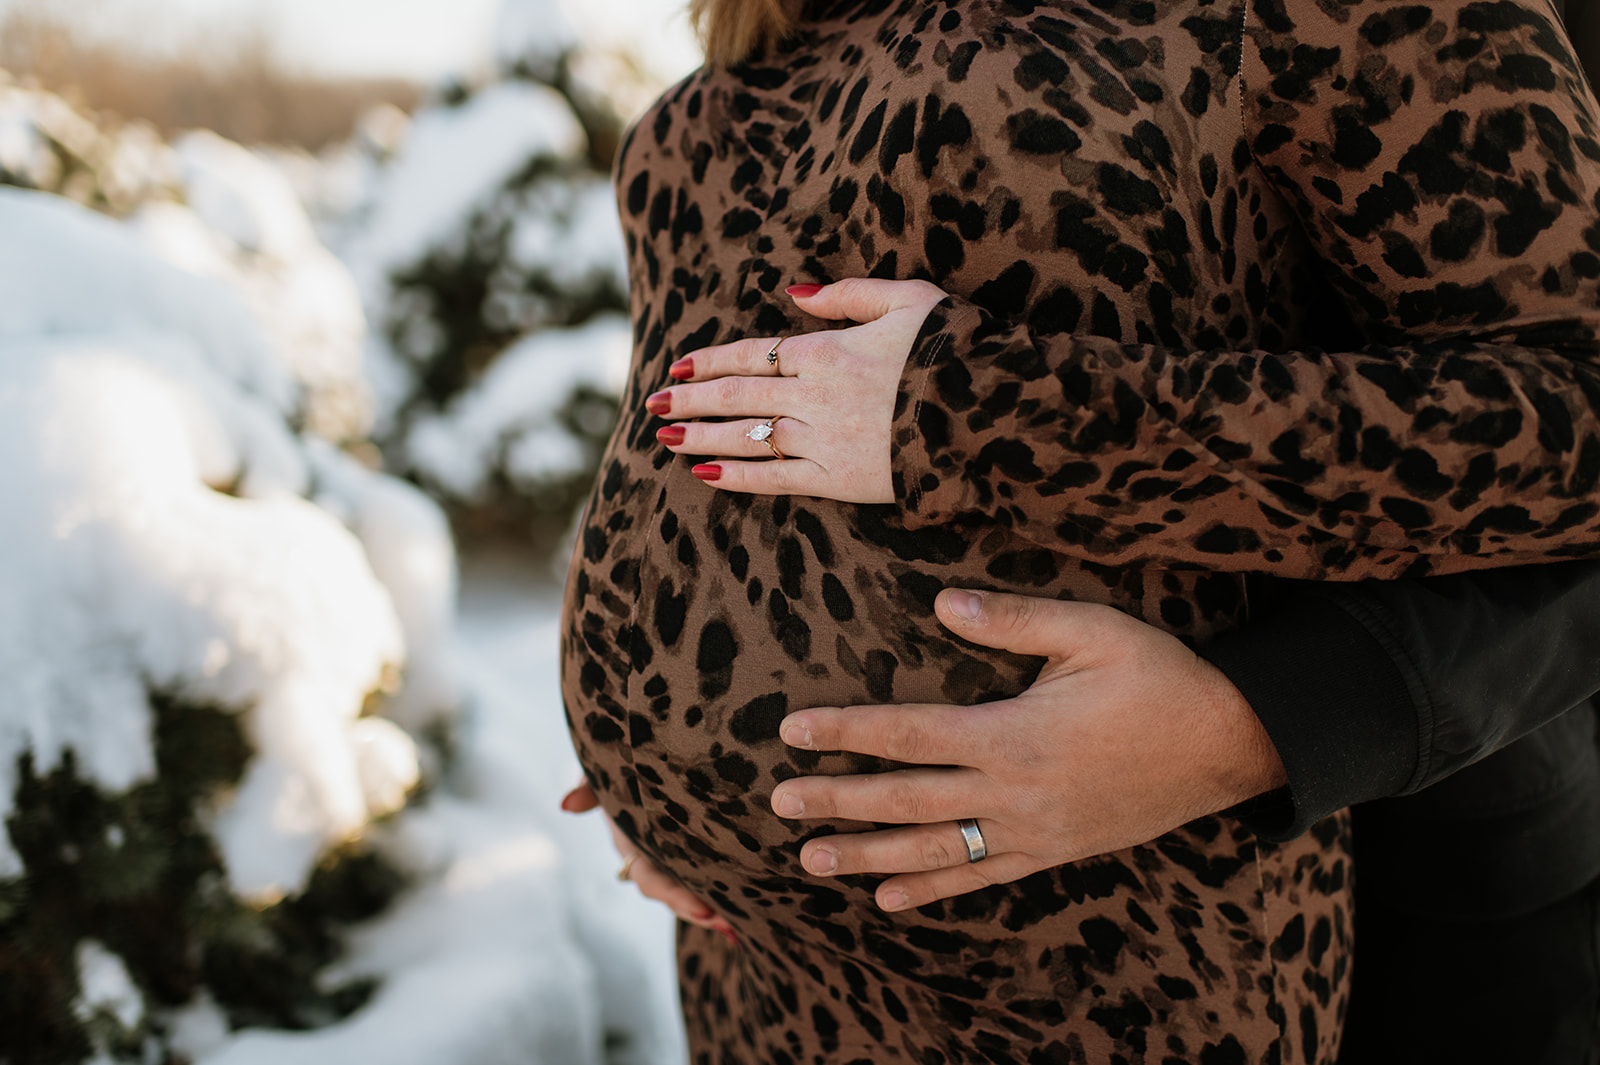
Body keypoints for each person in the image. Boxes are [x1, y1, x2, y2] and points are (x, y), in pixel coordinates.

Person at [559, 0, 1600, 1060]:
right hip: (767, 964)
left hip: (1125, 947)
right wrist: (650, 692)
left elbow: (1569, 425)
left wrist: (973, 418)